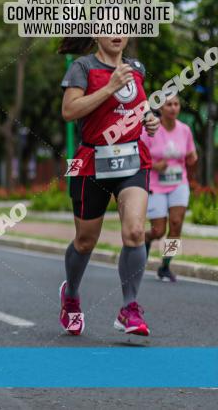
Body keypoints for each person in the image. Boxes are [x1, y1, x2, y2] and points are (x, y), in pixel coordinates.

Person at [58, 36, 159, 337]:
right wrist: (110, 87)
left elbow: (139, 107)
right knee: (85, 241)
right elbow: (69, 111)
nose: (117, 32)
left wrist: (149, 120)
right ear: (97, 33)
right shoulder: (82, 68)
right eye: (110, 26)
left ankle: (129, 308)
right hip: (92, 161)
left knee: (135, 231)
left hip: (131, 160)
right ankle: (71, 295)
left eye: (122, 26)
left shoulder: (136, 68)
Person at [142, 96, 197, 282]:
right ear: (161, 108)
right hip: (155, 185)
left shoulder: (185, 130)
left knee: (176, 224)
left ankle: (165, 265)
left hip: (179, 183)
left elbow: (191, 155)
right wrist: (154, 165)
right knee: (158, 230)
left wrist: (192, 158)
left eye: (176, 104)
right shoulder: (150, 130)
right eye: (169, 104)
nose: (173, 108)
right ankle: (145, 240)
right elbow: (140, 157)